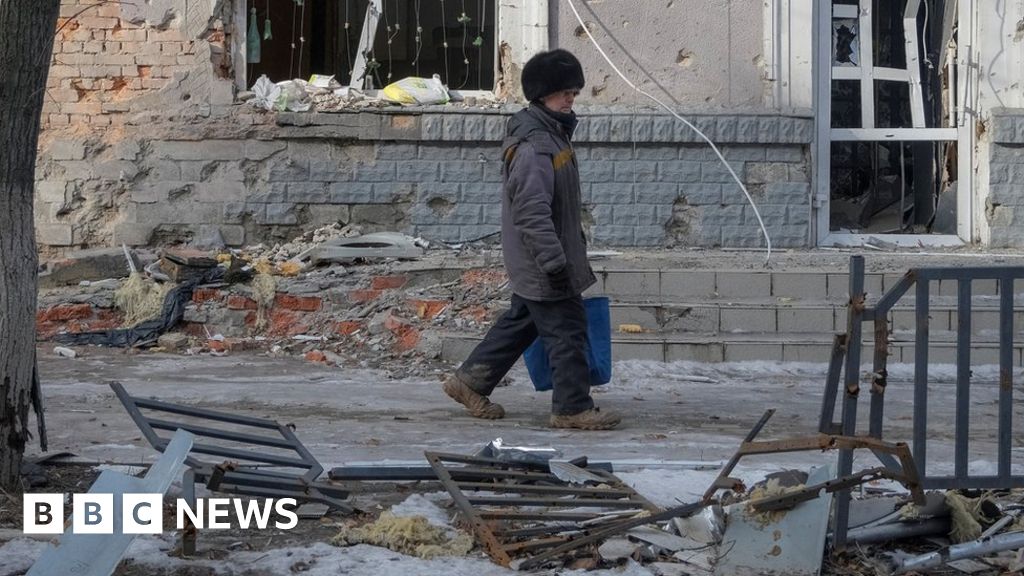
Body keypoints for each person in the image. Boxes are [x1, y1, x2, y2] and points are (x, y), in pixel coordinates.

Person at [442, 48, 621, 431]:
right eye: (562, 92)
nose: (570, 98)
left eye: (573, 91)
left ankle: (468, 382)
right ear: (541, 95)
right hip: (543, 260)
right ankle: (572, 407)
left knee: (522, 322)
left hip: (542, 257)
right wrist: (554, 262)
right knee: (567, 331)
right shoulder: (537, 146)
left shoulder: (551, 135)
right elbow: (531, 211)